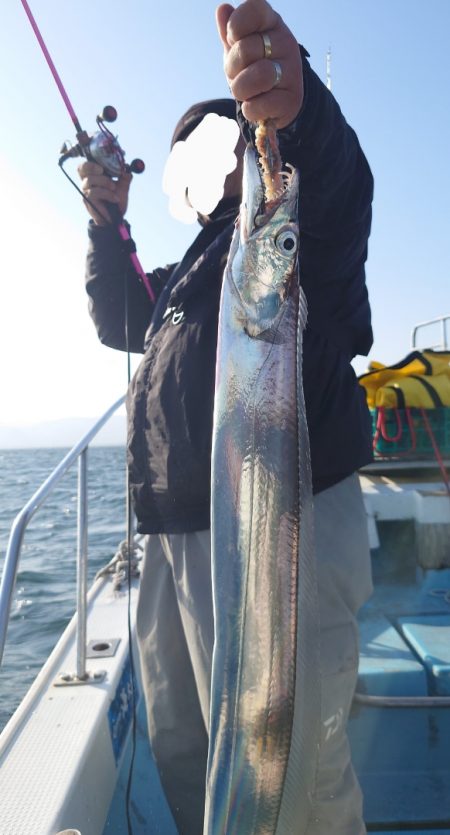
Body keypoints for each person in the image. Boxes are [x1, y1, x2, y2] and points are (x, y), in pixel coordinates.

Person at [79, 2, 374, 833]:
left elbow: (343, 190)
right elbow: (119, 320)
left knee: (296, 776)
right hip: (176, 535)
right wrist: (108, 225)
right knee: (192, 757)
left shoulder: (298, 231)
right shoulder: (189, 271)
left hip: (284, 525)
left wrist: (296, 106)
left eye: (234, 142)